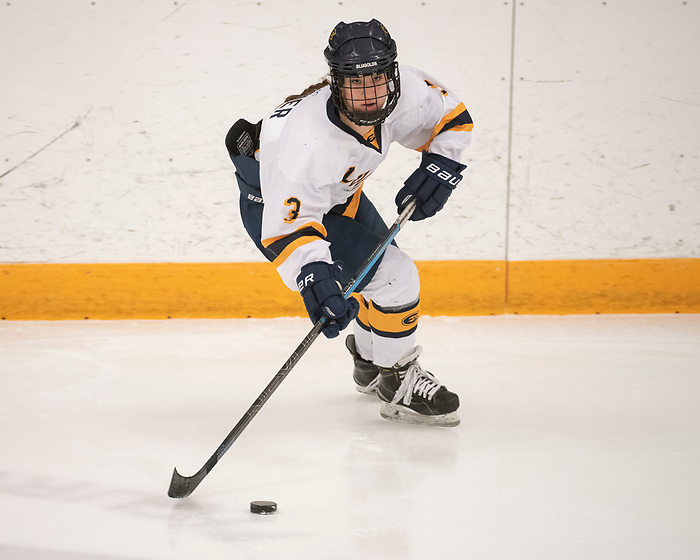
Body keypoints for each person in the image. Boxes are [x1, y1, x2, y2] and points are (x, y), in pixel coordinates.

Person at [226, 19, 473, 427]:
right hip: (279, 209)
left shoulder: (408, 91)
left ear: (392, 73)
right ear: (334, 83)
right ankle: (398, 381)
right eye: (355, 85)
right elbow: (290, 224)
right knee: (397, 276)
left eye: (377, 79)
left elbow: (452, 117)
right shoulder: (307, 144)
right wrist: (314, 275)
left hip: (340, 195)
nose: (368, 95)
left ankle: (373, 362)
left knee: (380, 277)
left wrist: (442, 166)